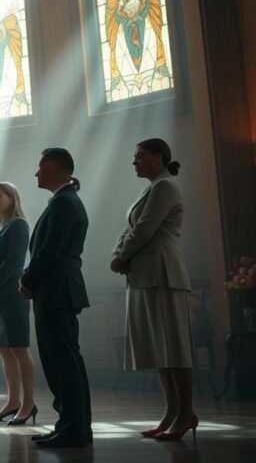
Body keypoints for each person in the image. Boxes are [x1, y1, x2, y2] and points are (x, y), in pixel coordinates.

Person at [110, 138, 196, 440]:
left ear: (160, 157)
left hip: (163, 274)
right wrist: (117, 253)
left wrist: (122, 257)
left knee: (174, 347)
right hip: (145, 274)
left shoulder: (166, 187)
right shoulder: (151, 189)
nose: (135, 162)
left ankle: (186, 413)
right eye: (135, 157)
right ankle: (172, 412)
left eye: (141, 156)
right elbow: (130, 229)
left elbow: (145, 228)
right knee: (161, 348)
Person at [19, 148, 92, 448]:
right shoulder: (64, 200)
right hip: (57, 290)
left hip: (56, 290)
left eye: (40, 167)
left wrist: (27, 279)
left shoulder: (64, 203)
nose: (36, 173)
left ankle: (74, 429)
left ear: (54, 167)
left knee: (62, 362)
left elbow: (51, 250)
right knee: (63, 361)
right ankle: (70, 425)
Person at [0, 182, 36, 425]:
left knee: (19, 348)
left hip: (11, 294)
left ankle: (28, 403)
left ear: (12, 199)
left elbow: (14, 262)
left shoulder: (18, 225)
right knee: (5, 350)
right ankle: (13, 401)